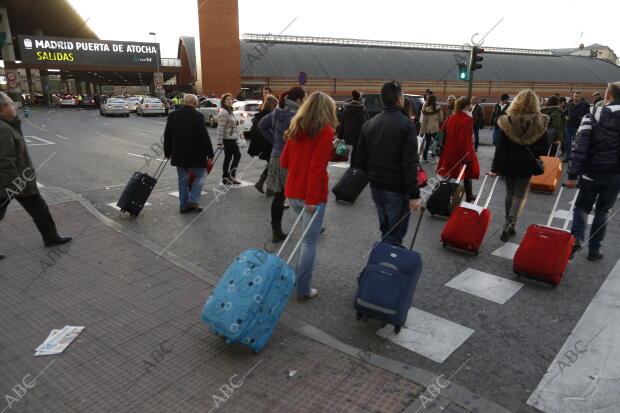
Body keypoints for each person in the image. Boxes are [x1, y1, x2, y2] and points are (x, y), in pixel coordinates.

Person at [0, 92, 71, 259]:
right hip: (13, 182)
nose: (14, 107)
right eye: (11, 104)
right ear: (3, 109)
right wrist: (17, 183)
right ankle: (51, 238)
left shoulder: (8, 125)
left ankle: (51, 238)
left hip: (19, 181)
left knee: (40, 210)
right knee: (39, 210)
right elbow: (4, 160)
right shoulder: (2, 128)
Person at [280, 91, 336, 301]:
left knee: (305, 238)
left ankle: (296, 279)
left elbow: (284, 161)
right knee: (309, 242)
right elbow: (316, 168)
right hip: (311, 194)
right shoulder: (325, 132)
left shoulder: (296, 127)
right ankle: (303, 288)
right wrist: (312, 199)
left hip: (293, 191)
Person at [357, 82, 422, 246]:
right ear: (400, 99)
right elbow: (409, 162)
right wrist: (414, 194)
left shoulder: (370, 123)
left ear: (382, 100)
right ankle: (382, 267)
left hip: (376, 185)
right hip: (396, 188)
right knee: (395, 233)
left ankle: (381, 263)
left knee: (386, 228)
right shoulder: (406, 124)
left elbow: (360, 160)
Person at [566, 82, 620, 261]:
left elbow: (579, 146)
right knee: (603, 211)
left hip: (591, 171)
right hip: (615, 174)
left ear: (607, 96)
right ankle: (594, 249)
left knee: (582, 207)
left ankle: (576, 238)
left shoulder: (592, 115)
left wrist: (572, 175)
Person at [488, 90, 549, 242]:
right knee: (521, 194)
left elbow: (500, 147)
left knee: (509, 192)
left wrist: (495, 168)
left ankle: (508, 220)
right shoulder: (540, 121)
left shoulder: (508, 120)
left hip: (508, 161)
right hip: (527, 163)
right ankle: (511, 221)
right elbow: (543, 147)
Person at [259, 86, 306, 242]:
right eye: (304, 98)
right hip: (290, 159)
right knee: (300, 193)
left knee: (279, 196)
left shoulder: (277, 112)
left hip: (275, 157)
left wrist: (275, 142)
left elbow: (262, 126)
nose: (305, 101)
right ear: (298, 100)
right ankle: (312, 225)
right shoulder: (294, 116)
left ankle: (276, 231)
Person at [164, 94, 214, 213]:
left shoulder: (172, 115)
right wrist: (210, 153)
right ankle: (193, 200)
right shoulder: (197, 116)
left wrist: (167, 152)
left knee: (182, 179)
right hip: (195, 155)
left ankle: (183, 205)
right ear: (194, 103)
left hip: (178, 154)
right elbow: (204, 137)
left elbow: (167, 136)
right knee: (201, 175)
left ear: (183, 102)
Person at [248, 95, 278, 194]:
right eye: (276, 105)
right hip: (268, 144)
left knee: (271, 165)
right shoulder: (269, 116)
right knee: (273, 165)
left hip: (262, 144)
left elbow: (253, 130)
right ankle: (267, 187)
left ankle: (263, 185)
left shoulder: (260, 115)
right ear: (272, 105)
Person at [336, 90, 368, 168]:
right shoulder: (362, 109)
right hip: (357, 135)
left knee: (350, 148)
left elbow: (342, 122)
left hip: (347, 134)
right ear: (360, 99)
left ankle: (350, 163)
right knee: (356, 150)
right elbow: (365, 123)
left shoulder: (346, 108)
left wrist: (340, 135)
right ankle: (353, 166)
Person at [217, 93, 242, 185]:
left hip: (231, 138)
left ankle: (226, 177)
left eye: (231, 99)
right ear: (223, 101)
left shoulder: (229, 111)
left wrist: (237, 122)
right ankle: (230, 176)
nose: (230, 101)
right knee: (236, 156)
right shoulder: (223, 112)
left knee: (228, 158)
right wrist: (219, 143)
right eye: (228, 99)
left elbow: (230, 124)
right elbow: (220, 128)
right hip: (228, 139)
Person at [564, 91, 591, 162]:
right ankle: (568, 156)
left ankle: (576, 157)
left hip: (579, 126)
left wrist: (584, 117)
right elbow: (565, 112)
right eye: (574, 96)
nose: (575, 97)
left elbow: (589, 114)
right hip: (569, 125)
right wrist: (566, 116)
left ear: (581, 97)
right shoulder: (569, 104)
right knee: (567, 142)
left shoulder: (585, 104)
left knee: (578, 142)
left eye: (577, 96)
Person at [419, 94, 443, 162]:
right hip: (435, 127)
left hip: (427, 128)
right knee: (435, 142)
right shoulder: (438, 107)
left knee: (427, 143)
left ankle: (425, 157)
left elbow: (423, 120)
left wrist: (422, 129)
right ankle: (433, 156)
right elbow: (441, 119)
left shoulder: (424, 107)